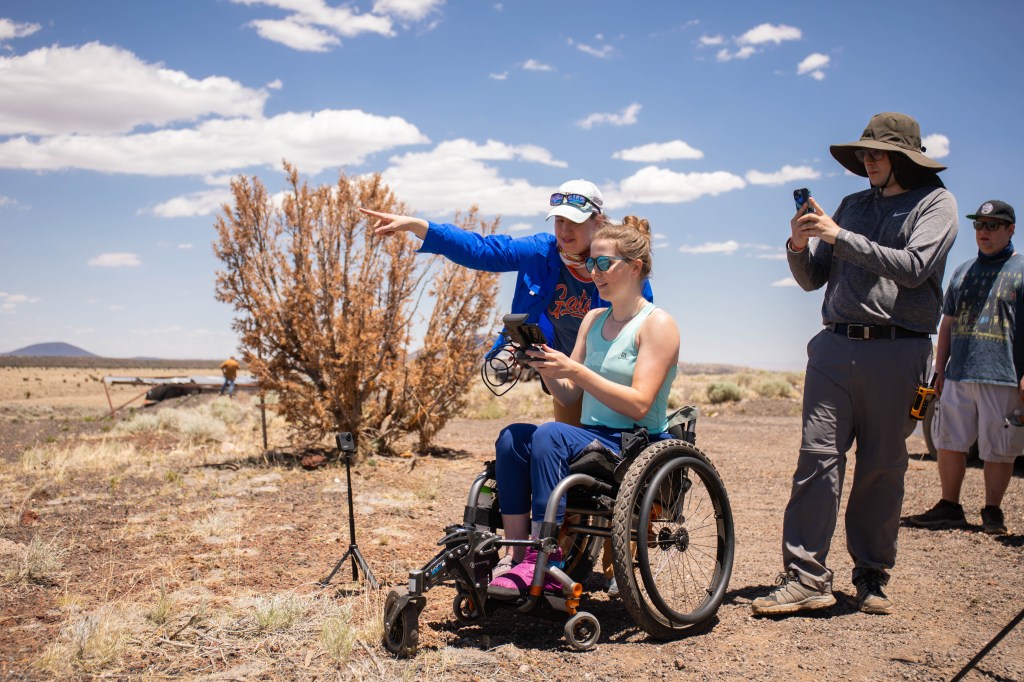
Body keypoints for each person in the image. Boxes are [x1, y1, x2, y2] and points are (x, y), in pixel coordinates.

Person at [751, 112, 958, 617]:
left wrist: (839, 235)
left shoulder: (937, 203)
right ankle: (805, 577)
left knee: (882, 468)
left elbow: (913, 269)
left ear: (904, 157)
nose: (867, 160)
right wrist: (799, 244)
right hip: (834, 346)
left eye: (877, 152)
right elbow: (812, 278)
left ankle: (870, 574)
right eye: (864, 152)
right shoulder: (851, 205)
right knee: (816, 461)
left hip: (899, 348)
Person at [484, 217, 680, 598]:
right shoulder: (593, 319)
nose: (594, 272)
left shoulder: (657, 325)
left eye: (603, 264)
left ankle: (546, 555)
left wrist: (574, 369)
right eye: (591, 264)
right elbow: (571, 395)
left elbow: (640, 404)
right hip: (593, 437)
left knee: (551, 435)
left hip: (633, 441)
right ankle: (517, 551)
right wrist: (545, 365)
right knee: (513, 438)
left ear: (634, 267)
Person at [359, 180, 653, 427]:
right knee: (573, 452)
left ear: (597, 221)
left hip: (613, 374)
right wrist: (419, 226)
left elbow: (641, 324)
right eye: (559, 220)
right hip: (564, 374)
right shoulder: (541, 251)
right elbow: (483, 250)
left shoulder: (619, 267)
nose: (563, 231)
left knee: (621, 454)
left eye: (574, 221)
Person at [906, 200, 1022, 536]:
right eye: (979, 225)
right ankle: (949, 506)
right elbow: (947, 324)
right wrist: (940, 368)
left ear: (1010, 229)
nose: (983, 232)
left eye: (993, 225)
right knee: (948, 440)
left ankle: (993, 511)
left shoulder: (1020, 270)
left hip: (1003, 375)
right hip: (958, 373)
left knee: (999, 447)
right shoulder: (963, 271)